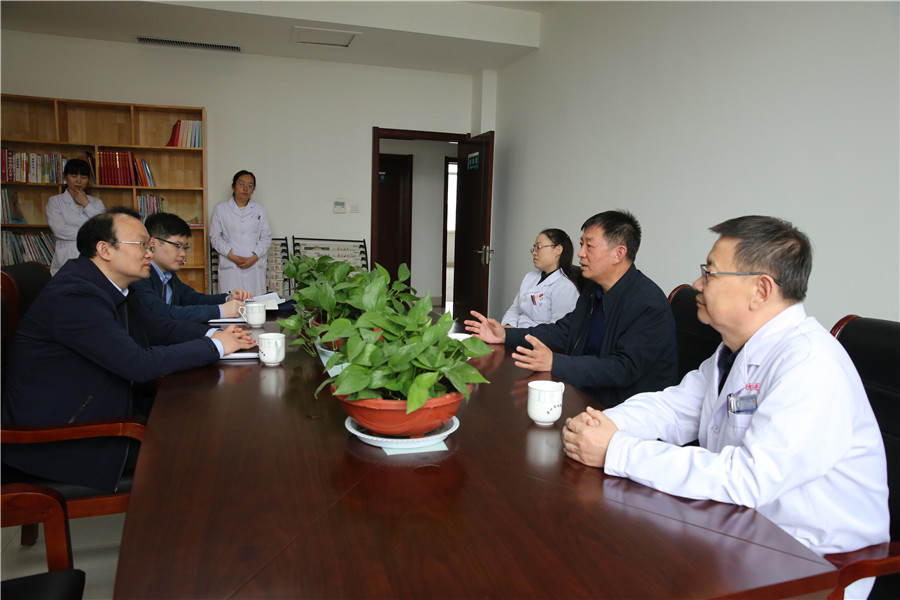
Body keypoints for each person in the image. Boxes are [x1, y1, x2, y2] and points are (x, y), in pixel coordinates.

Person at [563, 216, 888, 598]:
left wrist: (616, 450)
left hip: (814, 563)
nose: (698, 284)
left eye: (711, 273)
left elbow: (747, 479)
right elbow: (674, 408)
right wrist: (599, 424)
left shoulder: (810, 364)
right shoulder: (737, 350)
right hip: (740, 531)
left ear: (760, 290)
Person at [2, 207, 257, 492]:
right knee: (209, 446)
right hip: (63, 439)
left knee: (209, 421)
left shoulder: (110, 285)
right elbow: (138, 364)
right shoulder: (76, 295)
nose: (149, 253)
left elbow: (157, 328)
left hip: (104, 410)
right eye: (141, 245)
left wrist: (219, 336)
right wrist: (215, 345)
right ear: (105, 250)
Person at [465, 210, 677, 406]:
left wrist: (554, 362)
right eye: (581, 244)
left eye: (589, 246)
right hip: (584, 392)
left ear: (618, 253)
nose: (580, 254)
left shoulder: (648, 304)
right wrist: (505, 335)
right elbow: (563, 331)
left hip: (627, 408)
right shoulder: (594, 290)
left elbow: (623, 369)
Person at [131, 212, 252, 323]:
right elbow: (162, 313)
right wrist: (220, 310)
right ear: (153, 243)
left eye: (185, 247)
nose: (183, 253)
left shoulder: (168, 275)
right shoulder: (138, 277)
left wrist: (228, 298)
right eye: (177, 246)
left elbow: (194, 298)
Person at [500, 228, 580, 328]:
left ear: (558, 250)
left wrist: (516, 334)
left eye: (539, 247)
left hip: (534, 337)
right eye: (534, 248)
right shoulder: (530, 277)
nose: (534, 252)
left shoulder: (565, 287)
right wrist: (508, 326)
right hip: (515, 332)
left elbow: (557, 331)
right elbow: (515, 309)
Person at [209, 170, 272, 296]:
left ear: (253, 190)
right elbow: (215, 238)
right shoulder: (221, 209)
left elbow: (266, 237)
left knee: (256, 303)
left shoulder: (259, 209)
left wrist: (253, 258)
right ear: (233, 186)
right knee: (232, 302)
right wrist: (232, 257)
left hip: (254, 266)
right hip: (230, 266)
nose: (245, 188)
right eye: (241, 184)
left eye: (250, 185)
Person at [47, 158, 106, 275]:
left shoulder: (96, 203)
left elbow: (104, 226)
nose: (78, 181)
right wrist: (90, 233)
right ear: (65, 177)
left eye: (83, 177)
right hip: (65, 259)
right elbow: (59, 230)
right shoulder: (55, 201)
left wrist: (86, 204)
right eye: (74, 176)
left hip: (93, 258)